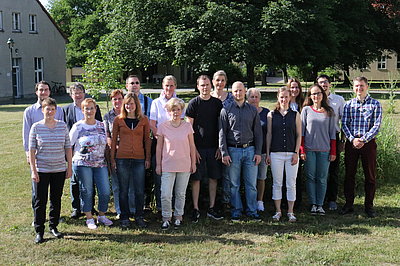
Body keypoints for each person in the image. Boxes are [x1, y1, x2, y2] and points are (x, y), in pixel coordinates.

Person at [29, 98, 72, 244]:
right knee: (40, 201)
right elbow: (32, 150)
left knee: (56, 199)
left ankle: (53, 226)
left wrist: (69, 167)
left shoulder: (62, 126)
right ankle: (39, 230)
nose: (50, 111)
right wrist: (33, 171)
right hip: (42, 170)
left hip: (59, 169)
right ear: (42, 110)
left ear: (56, 111)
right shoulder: (36, 127)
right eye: (47, 109)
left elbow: (68, 147)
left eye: (53, 109)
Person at [219, 81, 263, 221]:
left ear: (245, 92)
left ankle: (252, 211)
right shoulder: (226, 110)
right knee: (234, 184)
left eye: (240, 90)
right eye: (235, 91)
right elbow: (222, 133)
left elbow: (258, 133)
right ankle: (236, 211)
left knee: (251, 184)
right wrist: (224, 152)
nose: (238, 93)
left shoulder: (252, 110)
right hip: (233, 151)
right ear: (232, 93)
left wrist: (258, 152)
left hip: (250, 150)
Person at [340, 76, 382, 218]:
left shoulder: (375, 104)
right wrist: (353, 139)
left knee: (370, 176)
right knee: (349, 175)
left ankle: (369, 206)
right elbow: (344, 125)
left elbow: (376, 126)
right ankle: (349, 204)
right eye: (356, 86)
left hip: (368, 144)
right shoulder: (348, 105)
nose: (359, 88)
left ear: (367, 86)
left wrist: (363, 139)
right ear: (353, 88)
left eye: (362, 86)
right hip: (351, 144)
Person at [22, 81, 64, 221]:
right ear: (36, 92)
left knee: (55, 193)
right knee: (38, 191)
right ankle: (38, 218)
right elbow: (27, 134)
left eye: (46, 90)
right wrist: (29, 154)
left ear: (49, 92)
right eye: (41, 90)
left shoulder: (58, 110)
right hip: (38, 158)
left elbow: (63, 133)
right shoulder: (30, 111)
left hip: (55, 157)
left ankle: (54, 218)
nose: (43, 92)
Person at [69, 98, 113, 229]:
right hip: (82, 164)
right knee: (87, 190)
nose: (89, 111)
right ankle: (89, 218)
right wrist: (69, 165)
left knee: (105, 191)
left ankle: (102, 215)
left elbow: (106, 145)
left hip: (100, 164)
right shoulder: (78, 127)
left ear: (96, 109)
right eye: (86, 108)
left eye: (92, 108)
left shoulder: (101, 125)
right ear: (82, 110)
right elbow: (69, 145)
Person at [186, 75, 224, 223]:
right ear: (198, 86)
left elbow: (222, 127)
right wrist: (193, 149)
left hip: (214, 148)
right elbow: (189, 130)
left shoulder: (217, 104)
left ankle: (212, 208)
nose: (205, 87)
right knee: (196, 179)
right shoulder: (193, 103)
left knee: (213, 178)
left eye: (207, 84)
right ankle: (195, 209)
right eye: (202, 85)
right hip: (198, 148)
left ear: (211, 85)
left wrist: (221, 147)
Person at [110, 93, 151, 229]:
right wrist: (113, 159)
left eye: (132, 103)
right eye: (127, 104)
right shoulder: (118, 120)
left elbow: (147, 140)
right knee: (124, 189)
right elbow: (114, 140)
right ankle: (124, 217)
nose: (129, 106)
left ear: (136, 105)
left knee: (139, 190)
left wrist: (148, 158)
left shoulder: (144, 120)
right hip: (122, 158)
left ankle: (139, 216)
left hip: (139, 159)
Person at [63, 82, 102, 219]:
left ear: (84, 93)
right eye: (75, 93)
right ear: (71, 95)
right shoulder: (66, 110)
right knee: (75, 181)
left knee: (90, 181)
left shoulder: (93, 108)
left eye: (80, 92)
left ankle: (90, 207)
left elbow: (100, 130)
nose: (78, 95)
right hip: (74, 152)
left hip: (92, 153)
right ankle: (76, 208)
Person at [156, 98, 196, 230]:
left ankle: (178, 217)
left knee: (180, 194)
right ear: (168, 111)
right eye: (173, 110)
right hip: (167, 165)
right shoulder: (162, 127)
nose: (176, 112)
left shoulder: (187, 126)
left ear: (182, 111)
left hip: (184, 164)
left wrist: (193, 162)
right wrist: (158, 164)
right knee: (165, 194)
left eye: (178, 109)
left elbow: (191, 145)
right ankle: (166, 218)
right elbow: (159, 147)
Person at [266, 87, 301, 222]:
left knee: (291, 183)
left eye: (286, 97)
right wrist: (268, 153)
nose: (284, 99)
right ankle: (278, 211)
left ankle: (291, 212)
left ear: (290, 98)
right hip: (276, 153)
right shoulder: (271, 115)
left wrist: (296, 152)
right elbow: (269, 134)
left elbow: (299, 135)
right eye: (282, 97)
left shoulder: (295, 114)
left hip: (291, 153)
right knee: (277, 183)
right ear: (278, 97)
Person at [149, 75, 184, 213]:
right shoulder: (156, 103)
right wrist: (162, 137)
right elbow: (152, 124)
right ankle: (160, 208)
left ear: (175, 86)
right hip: (160, 143)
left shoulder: (180, 102)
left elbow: (181, 122)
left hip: (176, 146)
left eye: (171, 85)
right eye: (166, 85)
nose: (169, 88)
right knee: (160, 177)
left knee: (176, 178)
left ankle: (176, 209)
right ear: (162, 86)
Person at [300, 84, 336, 215]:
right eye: (313, 94)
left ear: (323, 95)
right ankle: (313, 204)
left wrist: (333, 151)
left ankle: (320, 204)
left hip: (324, 150)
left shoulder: (330, 112)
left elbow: (332, 134)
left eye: (319, 93)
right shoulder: (306, 111)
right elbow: (302, 132)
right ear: (310, 96)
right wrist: (302, 150)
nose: (316, 96)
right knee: (310, 177)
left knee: (322, 178)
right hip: (309, 150)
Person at [103, 89, 135, 218]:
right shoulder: (107, 116)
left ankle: (132, 209)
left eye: (119, 98)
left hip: (129, 153)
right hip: (114, 153)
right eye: (114, 99)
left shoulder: (129, 114)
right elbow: (107, 135)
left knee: (131, 183)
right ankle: (120, 210)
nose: (117, 101)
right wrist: (114, 147)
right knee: (117, 184)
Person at [317, 75, 346, 211]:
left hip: (333, 137)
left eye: (326, 82)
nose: (324, 85)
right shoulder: (314, 99)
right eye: (321, 83)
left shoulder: (338, 100)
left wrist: (342, 140)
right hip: (318, 138)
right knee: (320, 171)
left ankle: (332, 199)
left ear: (330, 84)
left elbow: (345, 122)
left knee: (333, 170)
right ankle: (319, 199)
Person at [210, 70, 234, 207]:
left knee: (227, 174)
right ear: (213, 81)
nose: (220, 83)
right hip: (209, 140)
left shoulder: (231, 98)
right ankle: (209, 202)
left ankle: (226, 202)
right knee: (211, 175)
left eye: (222, 80)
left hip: (227, 140)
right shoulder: (207, 96)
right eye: (217, 80)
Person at [246, 88, 270, 212]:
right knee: (249, 179)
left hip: (263, 150)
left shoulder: (266, 113)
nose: (254, 99)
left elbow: (270, 133)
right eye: (252, 97)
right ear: (247, 98)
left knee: (261, 177)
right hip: (249, 149)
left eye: (256, 97)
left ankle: (259, 201)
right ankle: (249, 201)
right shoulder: (244, 112)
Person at [287, 78, 305, 207]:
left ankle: (297, 200)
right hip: (286, 141)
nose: (294, 90)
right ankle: (284, 200)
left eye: (297, 87)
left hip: (301, 141)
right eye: (292, 87)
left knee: (297, 173)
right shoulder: (283, 103)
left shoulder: (304, 104)